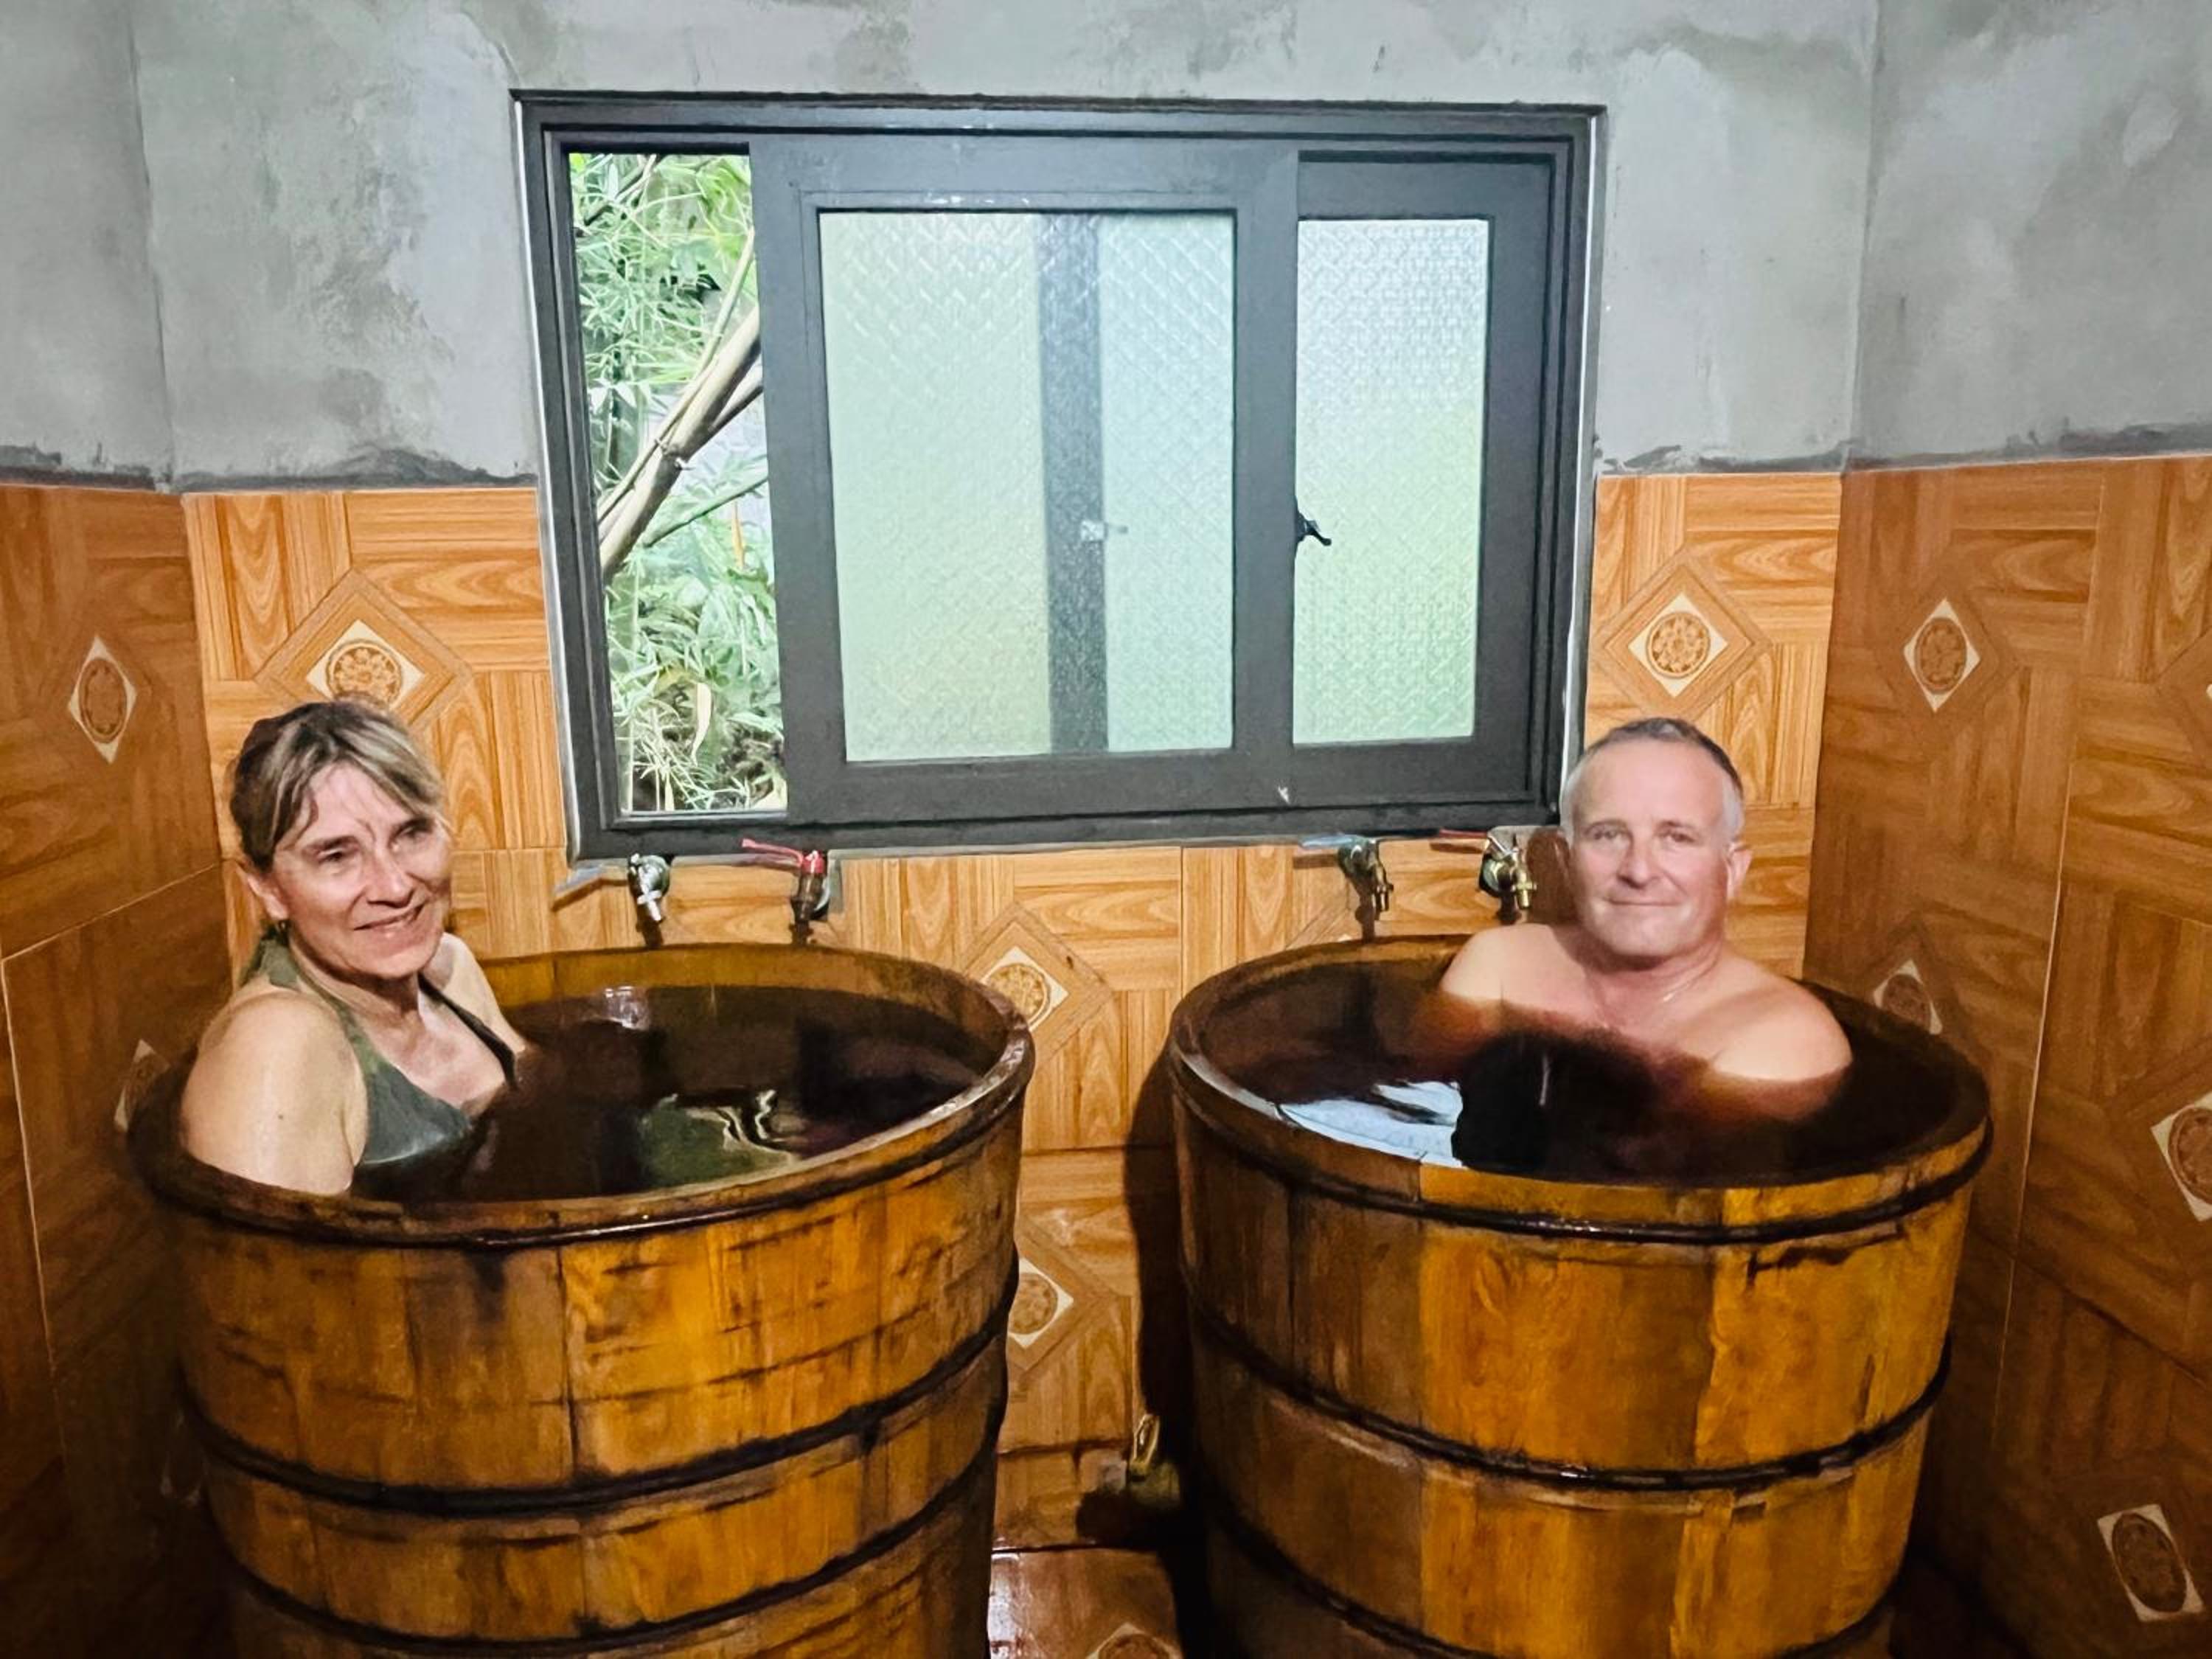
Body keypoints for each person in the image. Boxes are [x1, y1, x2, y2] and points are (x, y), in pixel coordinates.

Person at [181, 700, 526, 1194]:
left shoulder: (449, 968)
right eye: (337, 855)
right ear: (268, 889)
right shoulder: (275, 1047)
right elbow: (266, 1248)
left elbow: (546, 1104)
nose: (395, 886)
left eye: (411, 833)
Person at [1428, 717, 1850, 1110]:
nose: (1639, 871)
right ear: (1565, 861)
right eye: (1608, 835)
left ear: (1733, 870)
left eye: (1677, 838)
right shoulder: (1500, 966)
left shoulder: (1784, 1038)